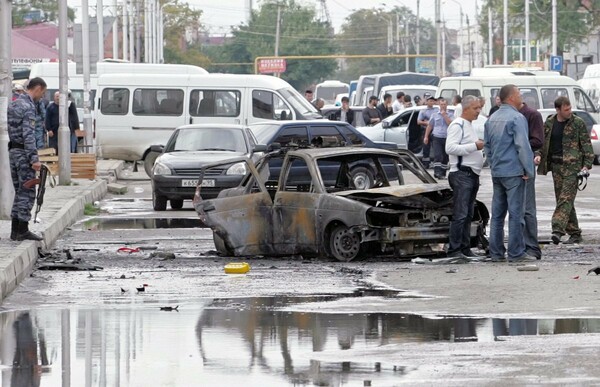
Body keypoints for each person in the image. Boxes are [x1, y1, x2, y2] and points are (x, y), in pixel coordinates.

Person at [483, 84, 535, 262]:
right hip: (514, 172)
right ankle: (516, 253)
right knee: (516, 214)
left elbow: (487, 147)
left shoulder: (491, 119)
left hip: (497, 172)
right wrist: (529, 170)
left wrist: (493, 165)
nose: (521, 96)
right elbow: (522, 146)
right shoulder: (517, 118)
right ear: (511, 97)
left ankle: (496, 253)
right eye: (519, 93)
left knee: (497, 215)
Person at [538, 96, 594, 245]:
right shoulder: (549, 123)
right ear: (558, 110)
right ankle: (575, 233)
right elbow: (543, 143)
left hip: (573, 167)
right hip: (556, 167)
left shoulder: (577, 123)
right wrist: (538, 155)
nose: (569, 112)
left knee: (565, 199)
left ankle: (557, 230)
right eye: (566, 109)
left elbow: (587, 145)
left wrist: (586, 165)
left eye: (570, 109)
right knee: (564, 200)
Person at [8, 77, 47, 241]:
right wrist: (34, 158)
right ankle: (23, 229)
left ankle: (15, 230)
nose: (42, 97)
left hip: (13, 152)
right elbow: (28, 135)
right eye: (42, 93)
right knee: (28, 191)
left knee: (19, 192)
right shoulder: (28, 107)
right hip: (24, 153)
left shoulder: (14, 103)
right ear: (37, 89)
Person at [445, 95, 484, 258]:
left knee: (468, 214)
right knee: (460, 214)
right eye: (475, 108)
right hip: (461, 174)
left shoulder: (468, 125)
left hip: (471, 174)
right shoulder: (457, 125)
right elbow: (450, 148)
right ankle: (454, 250)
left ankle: (465, 248)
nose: (478, 111)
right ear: (466, 108)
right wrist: (474, 146)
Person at [519, 98, 544, 258]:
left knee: (527, 209)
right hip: (508, 170)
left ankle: (531, 247)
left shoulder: (531, 115)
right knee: (514, 211)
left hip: (525, 168)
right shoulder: (506, 114)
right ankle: (518, 246)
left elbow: (538, 141)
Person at [424, 98, 454, 179]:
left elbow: (450, 124)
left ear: (447, 105)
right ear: (439, 105)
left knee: (445, 157)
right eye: (441, 104)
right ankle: (437, 172)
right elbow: (430, 126)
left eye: (444, 104)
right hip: (436, 137)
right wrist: (426, 136)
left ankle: (443, 173)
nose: (443, 106)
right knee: (438, 155)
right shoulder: (434, 114)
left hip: (447, 137)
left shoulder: (451, 114)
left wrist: (444, 115)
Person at [417, 96, 437, 168]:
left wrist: (430, 123)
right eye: (430, 101)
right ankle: (426, 163)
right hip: (425, 130)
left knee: (436, 147)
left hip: (435, 130)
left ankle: (436, 163)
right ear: (427, 102)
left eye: (433, 101)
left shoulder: (436, 110)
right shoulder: (423, 111)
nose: (431, 102)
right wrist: (427, 123)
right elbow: (419, 121)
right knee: (426, 147)